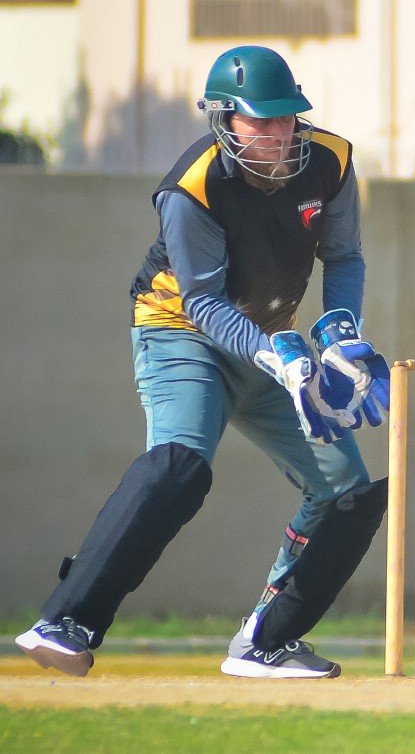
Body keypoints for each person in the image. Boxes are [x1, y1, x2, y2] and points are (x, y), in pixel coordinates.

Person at [15, 45, 392, 680]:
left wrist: (339, 335)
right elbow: (205, 304)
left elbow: (344, 256)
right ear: (224, 120)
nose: (279, 134)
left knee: (348, 493)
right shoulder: (191, 188)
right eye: (260, 121)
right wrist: (277, 357)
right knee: (181, 465)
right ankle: (66, 620)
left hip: (266, 340)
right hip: (181, 333)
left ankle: (266, 642)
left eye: (287, 117)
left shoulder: (331, 161)